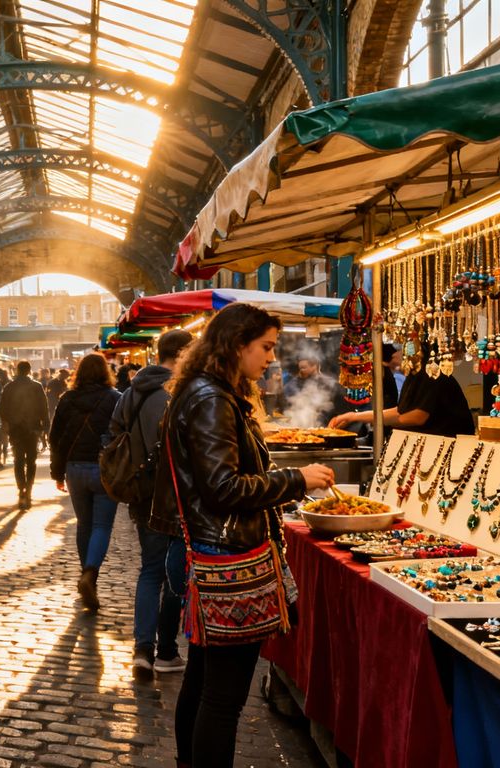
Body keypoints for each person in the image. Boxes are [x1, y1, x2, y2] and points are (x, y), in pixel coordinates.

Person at [155, 303, 334, 768]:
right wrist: (296, 481)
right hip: (229, 556)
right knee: (224, 697)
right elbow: (222, 487)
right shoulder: (212, 399)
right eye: (266, 347)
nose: (271, 358)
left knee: (202, 681)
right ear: (237, 345)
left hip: (213, 547)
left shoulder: (208, 392)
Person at [108, 330, 193, 680]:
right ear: (182, 354)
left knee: (150, 571)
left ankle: (142, 650)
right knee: (174, 576)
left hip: (141, 497)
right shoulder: (176, 393)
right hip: (171, 497)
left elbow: (113, 434)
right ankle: (167, 651)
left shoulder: (131, 391)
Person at [49, 353, 121, 611]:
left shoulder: (67, 399)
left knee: (84, 524)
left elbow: (54, 437)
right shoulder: (116, 399)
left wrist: (57, 472)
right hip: (104, 469)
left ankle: (84, 574)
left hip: (74, 468)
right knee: (101, 526)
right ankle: (90, 574)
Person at [328, 366, 476, 437]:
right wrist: (352, 416)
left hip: (451, 447)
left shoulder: (432, 374)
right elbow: (400, 411)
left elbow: (416, 417)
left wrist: (379, 422)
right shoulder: (414, 375)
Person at [0, 361, 49, 510]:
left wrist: (7, 423)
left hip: (16, 430)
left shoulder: (9, 387)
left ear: (17, 370)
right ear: (29, 371)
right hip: (33, 429)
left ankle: (21, 489)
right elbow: (44, 407)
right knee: (31, 461)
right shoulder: (37, 386)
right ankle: (29, 490)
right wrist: (45, 427)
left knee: (18, 461)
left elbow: (2, 408)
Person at [281, 353, 338, 425]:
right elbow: (286, 405)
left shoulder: (328, 383)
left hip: (323, 426)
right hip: (297, 423)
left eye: (303, 368)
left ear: (314, 366)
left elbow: (330, 408)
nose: (300, 371)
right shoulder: (292, 384)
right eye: (300, 368)